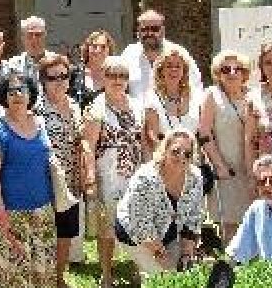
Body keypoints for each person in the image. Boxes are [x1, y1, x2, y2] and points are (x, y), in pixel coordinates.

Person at [80, 56, 145, 288]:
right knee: (107, 228)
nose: (118, 80)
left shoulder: (137, 105)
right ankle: (107, 275)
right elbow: (87, 144)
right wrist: (89, 177)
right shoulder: (96, 107)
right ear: (103, 78)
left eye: (122, 76)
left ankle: (139, 269)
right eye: (112, 75)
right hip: (108, 176)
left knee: (138, 224)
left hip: (135, 175)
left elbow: (144, 141)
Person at [0, 70, 56, 288]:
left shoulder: (41, 124)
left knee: (43, 269)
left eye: (21, 90)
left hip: (43, 209)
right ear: (4, 97)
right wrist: (0, 211)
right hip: (13, 212)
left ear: (30, 93)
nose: (17, 95)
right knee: (15, 275)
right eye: (11, 91)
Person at [114, 128, 203, 277]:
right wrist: (159, 254)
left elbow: (194, 217)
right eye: (175, 151)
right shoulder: (146, 178)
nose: (181, 157)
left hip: (168, 231)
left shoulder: (195, 177)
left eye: (187, 154)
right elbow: (141, 225)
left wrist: (187, 254)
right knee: (163, 277)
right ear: (165, 150)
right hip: (134, 232)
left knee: (183, 273)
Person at [198, 49, 259, 245]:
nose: (232, 73)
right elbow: (204, 133)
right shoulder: (212, 95)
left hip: (252, 168)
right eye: (226, 69)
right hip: (227, 169)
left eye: (237, 69)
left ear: (245, 73)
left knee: (254, 219)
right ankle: (232, 268)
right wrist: (219, 165)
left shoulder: (254, 96)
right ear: (218, 73)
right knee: (231, 224)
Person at [36, 54, 84, 287]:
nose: (59, 81)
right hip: (44, 181)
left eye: (64, 76)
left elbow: (79, 143)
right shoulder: (35, 108)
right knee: (45, 232)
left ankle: (58, 277)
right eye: (53, 77)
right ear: (43, 80)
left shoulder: (74, 105)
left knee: (65, 232)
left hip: (71, 181)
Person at [124, 10, 201, 97]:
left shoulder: (179, 53)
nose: (149, 33)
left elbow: (196, 87)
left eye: (155, 29)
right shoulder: (129, 54)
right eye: (144, 29)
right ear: (138, 31)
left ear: (163, 30)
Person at [143, 42, 200, 153]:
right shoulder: (152, 98)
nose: (173, 70)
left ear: (184, 71)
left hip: (194, 160)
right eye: (168, 65)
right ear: (161, 71)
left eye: (178, 66)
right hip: (165, 159)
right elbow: (152, 137)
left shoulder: (196, 96)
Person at [74, 30, 115, 109]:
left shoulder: (116, 75)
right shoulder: (74, 73)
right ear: (87, 49)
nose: (98, 50)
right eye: (94, 46)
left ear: (109, 50)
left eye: (103, 47)